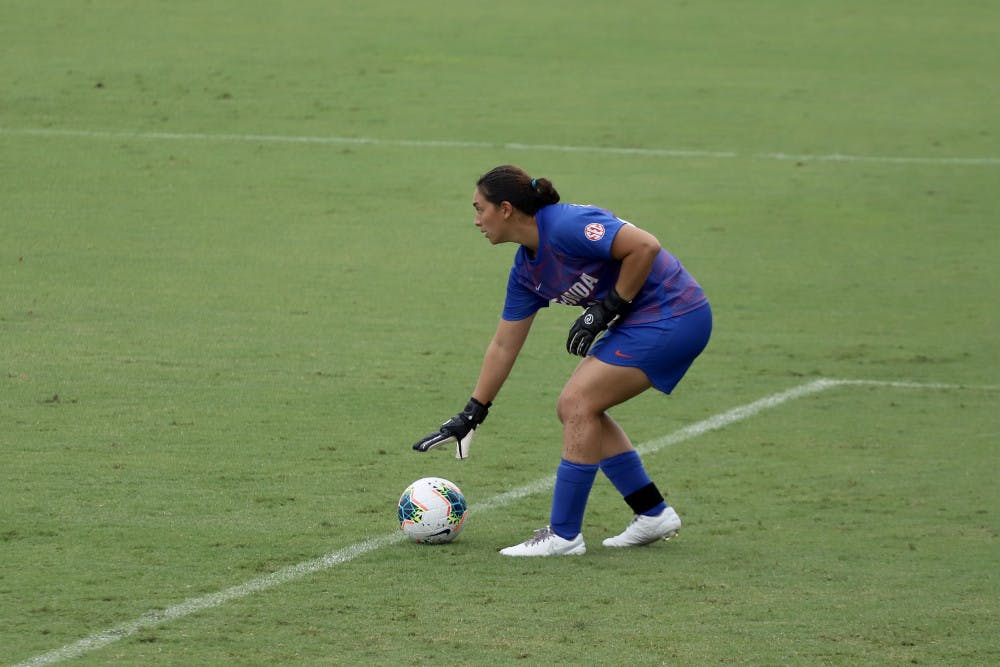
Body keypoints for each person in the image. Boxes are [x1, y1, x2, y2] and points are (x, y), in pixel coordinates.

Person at [413, 165, 712, 557]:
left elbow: (645, 247)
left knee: (577, 403)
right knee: (577, 407)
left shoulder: (567, 224)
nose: (475, 221)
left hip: (676, 313)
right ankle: (651, 512)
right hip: (645, 320)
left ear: (505, 209)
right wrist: (472, 412)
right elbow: (504, 344)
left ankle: (565, 535)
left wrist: (606, 309)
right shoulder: (525, 270)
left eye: (478, 209)